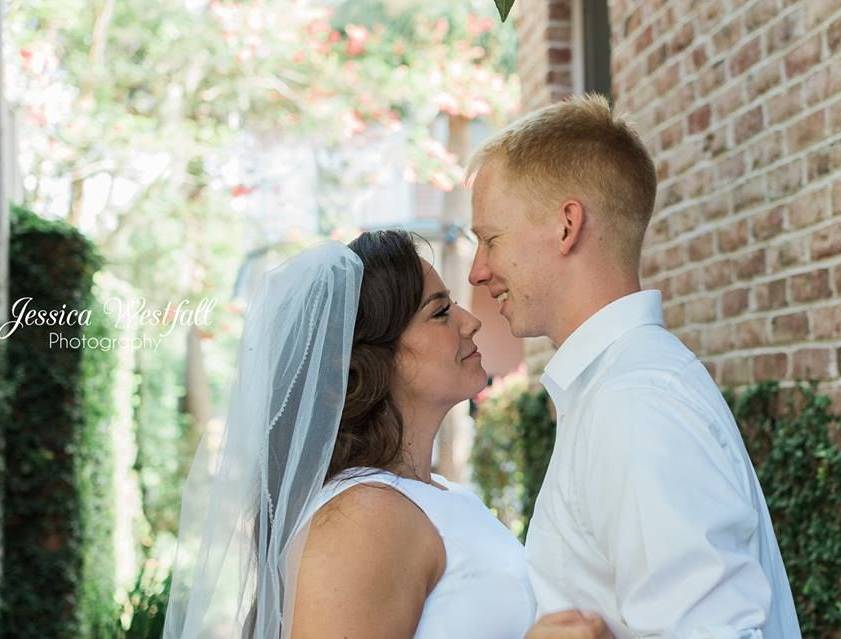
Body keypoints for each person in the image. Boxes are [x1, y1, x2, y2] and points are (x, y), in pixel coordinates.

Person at [163, 230, 612, 638]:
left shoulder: (437, 496)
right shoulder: (363, 518)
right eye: (439, 312)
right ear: (367, 360)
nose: (469, 321)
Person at [467, 94, 802, 638]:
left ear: (566, 225)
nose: (478, 272)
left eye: (490, 240)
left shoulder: (634, 402)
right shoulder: (618, 389)